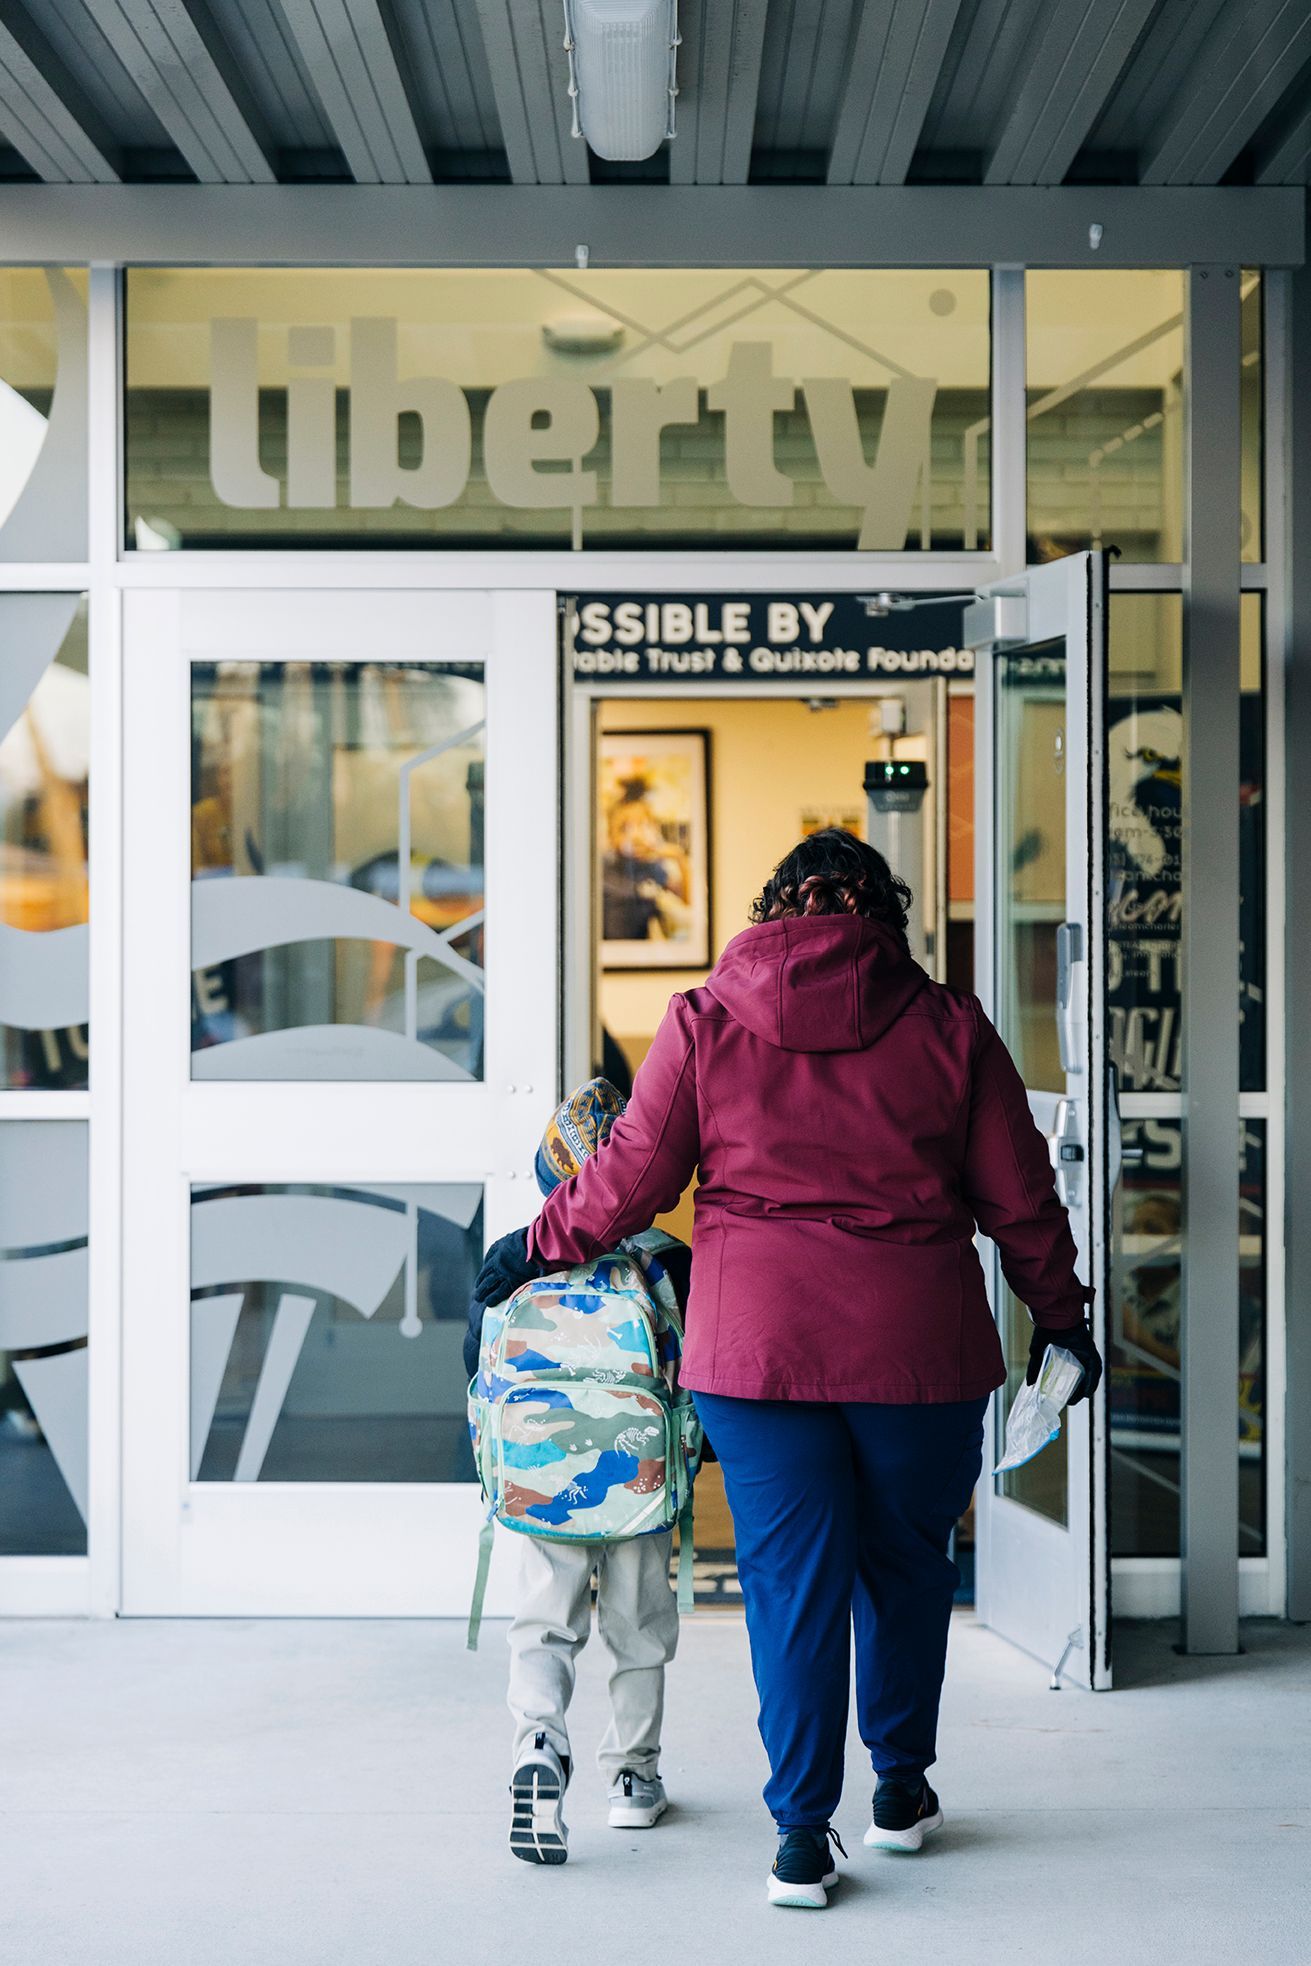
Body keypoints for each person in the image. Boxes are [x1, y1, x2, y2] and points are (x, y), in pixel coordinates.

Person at [471, 828, 1101, 1908]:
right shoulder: (951, 1025)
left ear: (773, 908)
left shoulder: (704, 1019)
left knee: (788, 1583)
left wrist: (536, 1244)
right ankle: (897, 1791)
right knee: (906, 1568)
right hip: (917, 1353)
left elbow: (632, 1174)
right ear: (886, 915)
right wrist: (1062, 1321)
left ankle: (800, 1839)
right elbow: (1022, 1195)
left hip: (756, 1353)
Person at [465, 1077, 693, 1867]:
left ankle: (537, 1741)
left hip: (539, 1476)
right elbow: (699, 1374)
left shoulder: (514, 1258)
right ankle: (631, 1777)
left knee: (544, 1620)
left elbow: (476, 1372)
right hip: (640, 1481)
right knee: (638, 1627)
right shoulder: (668, 1263)